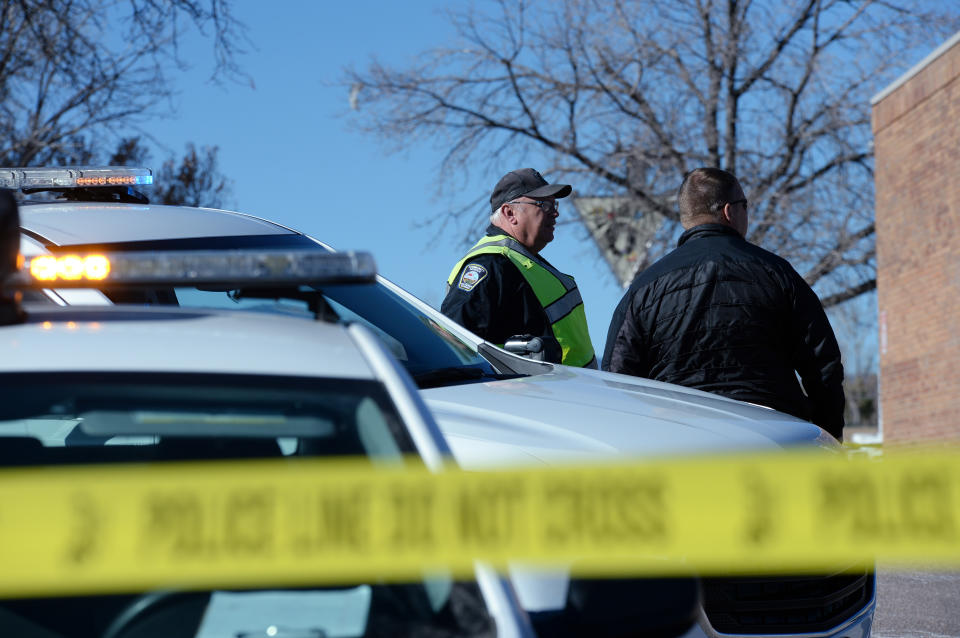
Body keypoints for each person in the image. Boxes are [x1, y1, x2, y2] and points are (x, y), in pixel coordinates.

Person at [602, 167, 845, 439]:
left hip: (678, 440)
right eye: (745, 205)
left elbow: (617, 377)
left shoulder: (645, 287)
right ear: (729, 211)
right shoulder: (778, 274)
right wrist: (830, 435)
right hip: (772, 435)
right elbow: (823, 366)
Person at [442, 168, 597, 368]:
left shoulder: (519, 261)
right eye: (545, 205)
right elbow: (453, 342)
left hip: (568, 392)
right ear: (510, 213)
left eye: (554, 204)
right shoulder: (489, 265)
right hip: (535, 396)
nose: (556, 213)